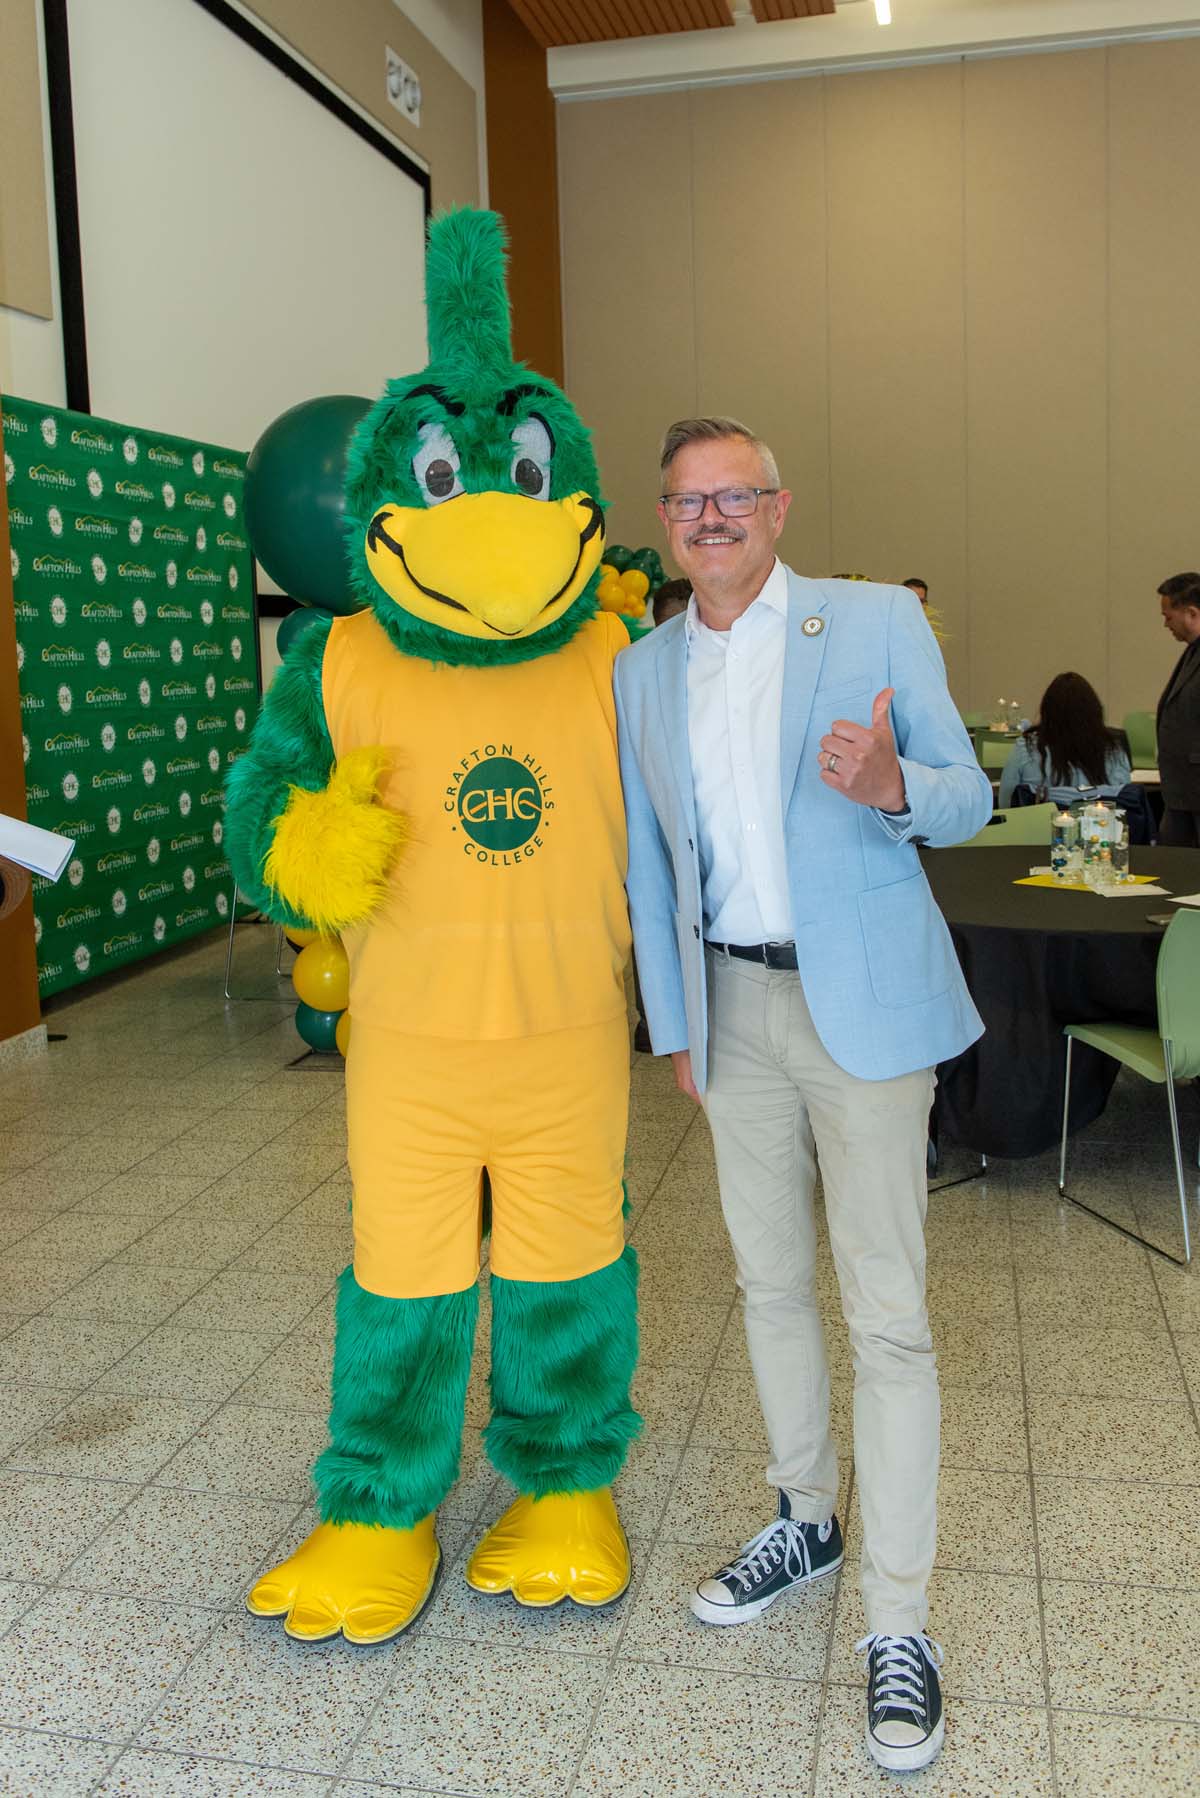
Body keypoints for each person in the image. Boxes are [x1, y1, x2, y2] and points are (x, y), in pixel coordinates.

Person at [614, 415, 992, 1775]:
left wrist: (896, 787)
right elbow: (654, 865)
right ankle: (805, 1512)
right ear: (666, 521)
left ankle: (899, 1620)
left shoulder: (876, 621)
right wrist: (675, 1017)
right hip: (733, 1013)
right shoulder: (642, 670)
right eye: (686, 501)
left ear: (777, 506)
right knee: (768, 1284)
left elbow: (970, 796)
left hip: (868, 1010)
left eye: (735, 495)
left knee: (887, 1316)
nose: (712, 517)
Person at [997, 672, 1131, 808]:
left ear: (1046, 711)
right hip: (1101, 827)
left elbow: (1005, 804)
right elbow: (1126, 801)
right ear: (1095, 711)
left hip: (1037, 828)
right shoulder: (1114, 750)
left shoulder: (1026, 748)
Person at [1156, 573, 1200, 845]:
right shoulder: (1192, 652)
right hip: (1182, 791)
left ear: (1192, 613)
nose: (1165, 624)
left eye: (1168, 616)